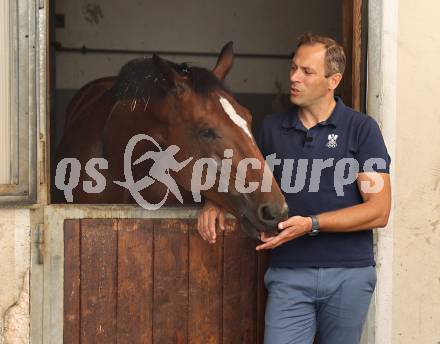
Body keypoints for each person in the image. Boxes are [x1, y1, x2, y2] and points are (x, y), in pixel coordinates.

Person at [197, 33, 391, 344]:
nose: (293, 78)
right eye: (293, 68)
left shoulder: (361, 129)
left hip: (349, 275)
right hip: (289, 273)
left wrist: (311, 225)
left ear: (333, 81)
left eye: (306, 72)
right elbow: (241, 176)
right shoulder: (270, 129)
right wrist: (215, 203)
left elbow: (378, 211)